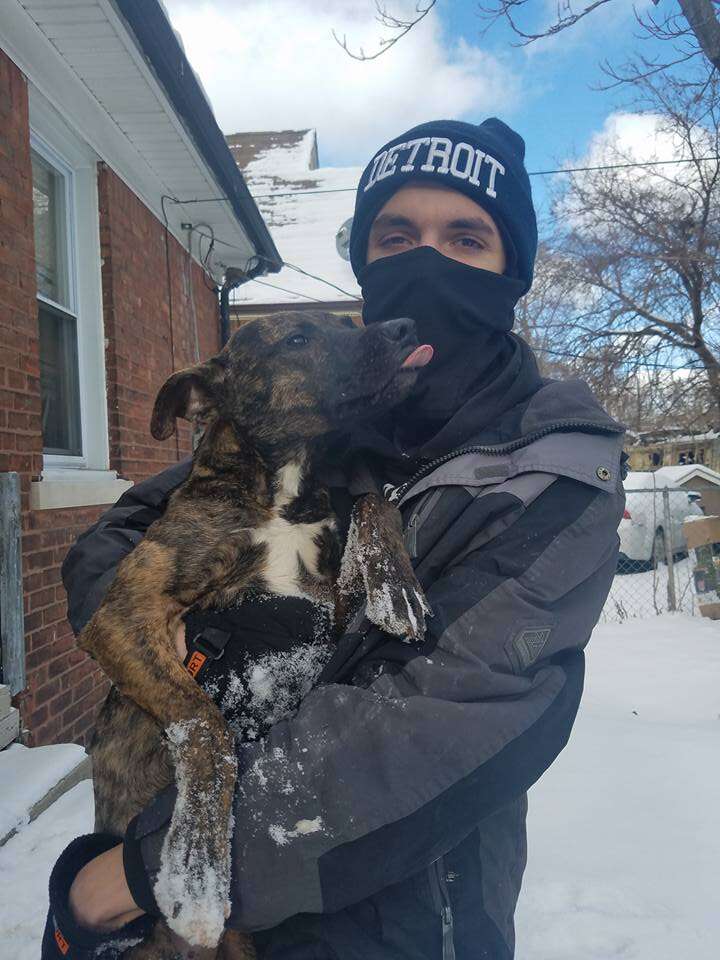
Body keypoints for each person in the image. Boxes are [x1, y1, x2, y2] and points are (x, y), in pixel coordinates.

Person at [43, 119, 625, 960]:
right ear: (366, 264)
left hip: (394, 928)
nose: (427, 260)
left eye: (466, 237)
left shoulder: (552, 472)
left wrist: (134, 877)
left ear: (513, 271)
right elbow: (134, 525)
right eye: (397, 236)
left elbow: (429, 729)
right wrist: (132, 602)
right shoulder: (319, 420)